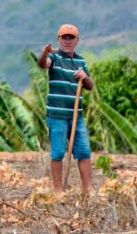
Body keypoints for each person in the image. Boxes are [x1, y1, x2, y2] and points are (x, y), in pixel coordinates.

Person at [38, 24, 95, 192]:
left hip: (77, 116)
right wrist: (45, 53)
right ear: (59, 39)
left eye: (71, 38)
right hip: (57, 116)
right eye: (64, 38)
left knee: (84, 152)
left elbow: (90, 86)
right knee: (57, 153)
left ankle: (88, 190)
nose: (67, 41)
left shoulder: (80, 61)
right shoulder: (54, 58)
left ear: (77, 40)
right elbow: (43, 64)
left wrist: (84, 77)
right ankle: (58, 191)